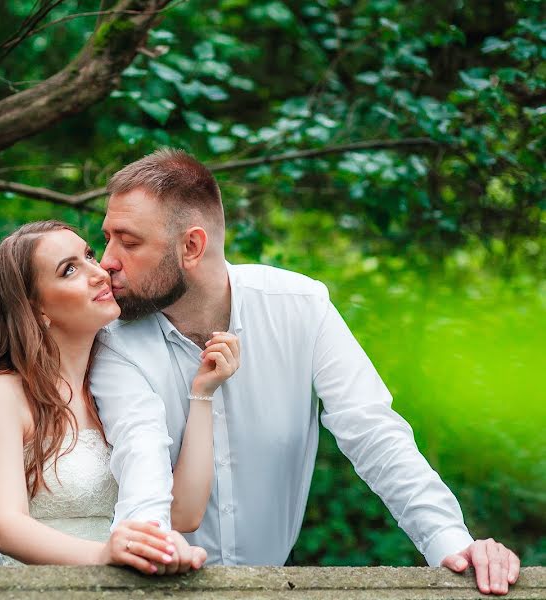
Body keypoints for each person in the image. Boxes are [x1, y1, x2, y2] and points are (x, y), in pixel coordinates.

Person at [90, 149, 522, 595]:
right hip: (156, 587)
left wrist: (451, 542)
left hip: (275, 586)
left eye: (129, 241)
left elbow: (373, 432)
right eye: (107, 238)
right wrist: (144, 550)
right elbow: (141, 466)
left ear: (192, 246)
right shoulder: (114, 339)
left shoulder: (300, 306)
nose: (107, 261)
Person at [0, 220, 238, 570]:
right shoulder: (2, 393)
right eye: (70, 269)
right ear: (36, 309)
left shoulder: (110, 392)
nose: (99, 272)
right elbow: (5, 526)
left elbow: (184, 512)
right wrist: (104, 555)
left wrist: (202, 395)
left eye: (89, 255)